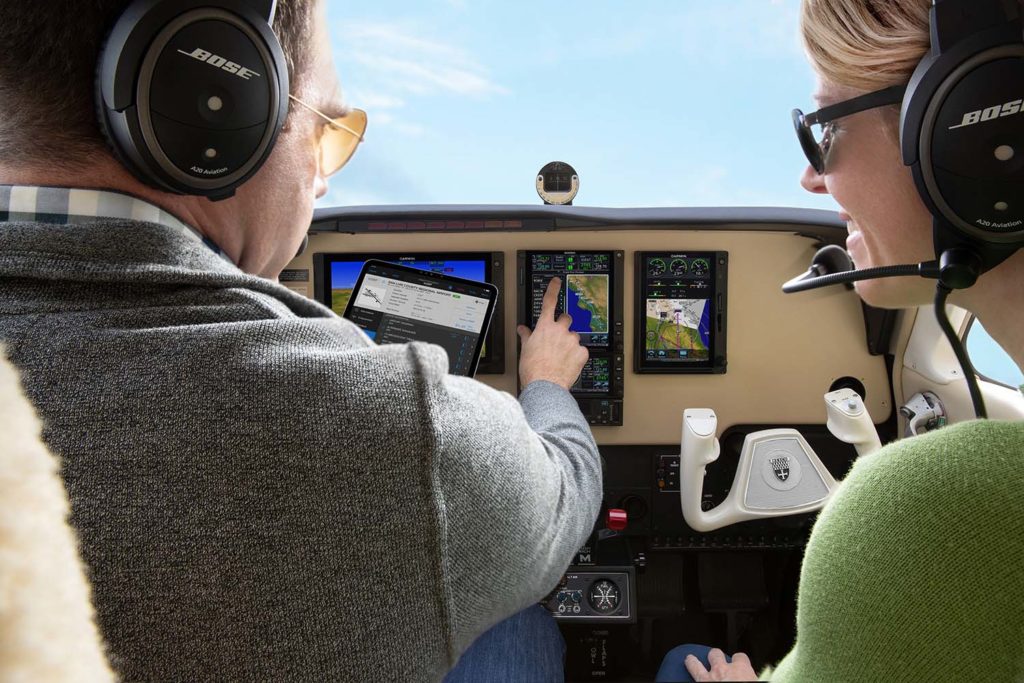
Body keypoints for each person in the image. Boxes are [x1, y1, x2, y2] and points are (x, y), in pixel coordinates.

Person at [0, 1, 601, 680]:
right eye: (328, 130)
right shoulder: (399, 428)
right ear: (215, 104)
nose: (322, 176)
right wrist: (546, 382)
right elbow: (566, 492)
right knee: (520, 626)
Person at [658, 0, 1024, 680]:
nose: (812, 176)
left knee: (685, 662)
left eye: (823, 129)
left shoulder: (935, 509)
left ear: (966, 120)